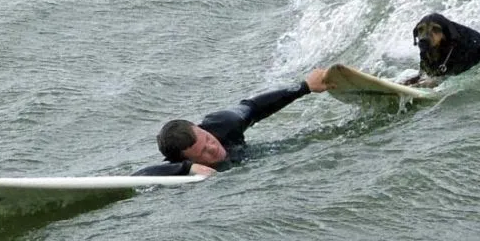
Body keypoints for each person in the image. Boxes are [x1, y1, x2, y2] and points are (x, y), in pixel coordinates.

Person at [133, 68, 333, 176]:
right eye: (202, 153)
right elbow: (141, 175)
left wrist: (304, 87)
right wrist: (186, 169)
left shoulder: (223, 124)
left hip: (251, 156)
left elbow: (255, 106)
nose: (212, 149)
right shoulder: (179, 168)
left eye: (207, 140)